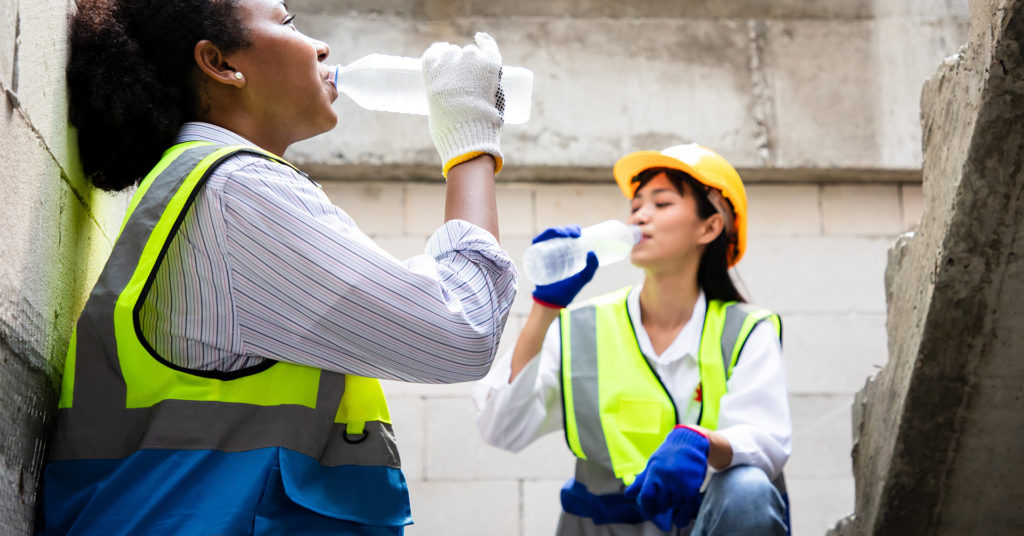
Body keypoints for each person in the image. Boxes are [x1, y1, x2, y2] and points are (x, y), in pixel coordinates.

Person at [39, 0, 516, 534]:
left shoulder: (200, 182)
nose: (321, 47)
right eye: (288, 23)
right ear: (220, 64)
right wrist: (471, 144)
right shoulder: (238, 194)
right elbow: (462, 331)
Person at [473, 144, 791, 535]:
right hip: (605, 529)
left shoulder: (744, 331)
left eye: (662, 203)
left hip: (701, 526)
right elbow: (501, 429)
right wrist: (544, 308)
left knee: (748, 490)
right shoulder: (583, 328)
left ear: (709, 227)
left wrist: (705, 444)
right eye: (637, 204)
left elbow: (768, 438)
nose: (640, 214)